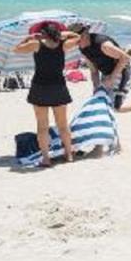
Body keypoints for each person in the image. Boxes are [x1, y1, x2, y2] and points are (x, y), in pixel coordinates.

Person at [13, 22, 78, 167]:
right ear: (56, 33)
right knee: (63, 125)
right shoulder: (63, 45)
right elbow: (78, 37)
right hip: (58, 87)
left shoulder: (36, 44)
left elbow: (16, 49)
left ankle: (46, 159)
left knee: (42, 126)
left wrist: (28, 37)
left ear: (43, 33)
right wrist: (64, 35)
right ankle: (69, 155)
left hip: (40, 87)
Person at [71, 23, 131, 110]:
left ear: (84, 35)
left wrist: (112, 77)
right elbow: (93, 70)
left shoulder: (103, 45)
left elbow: (125, 58)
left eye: (77, 40)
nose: (76, 44)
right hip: (106, 74)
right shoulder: (83, 49)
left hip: (121, 72)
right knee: (103, 103)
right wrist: (96, 87)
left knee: (115, 107)